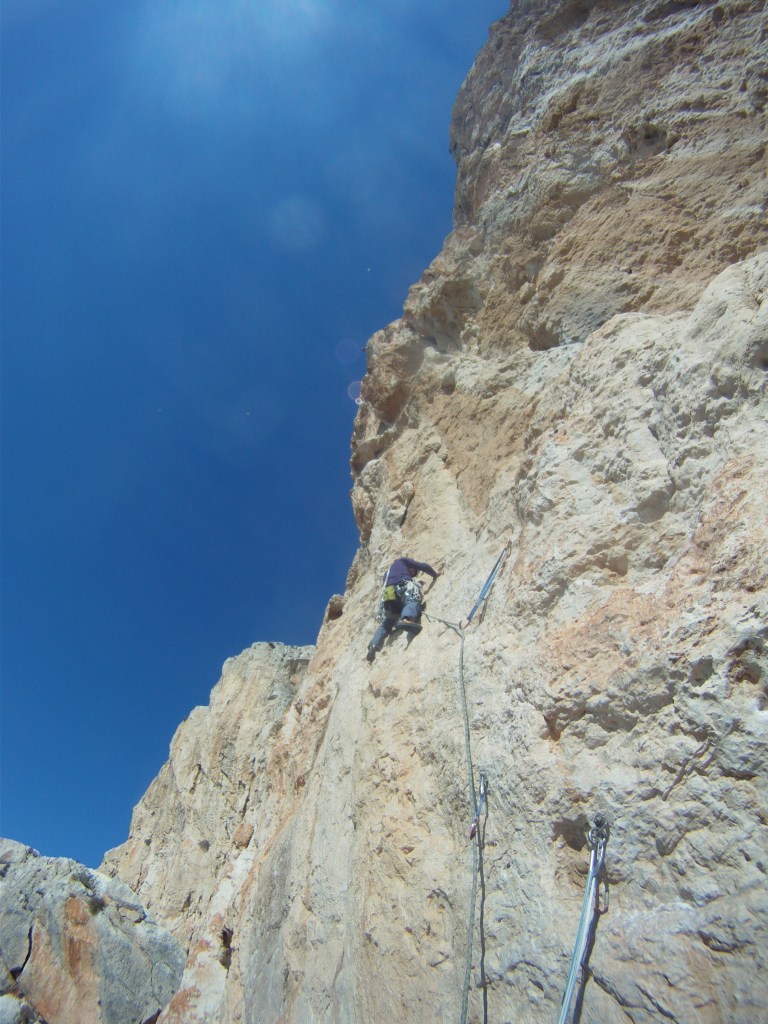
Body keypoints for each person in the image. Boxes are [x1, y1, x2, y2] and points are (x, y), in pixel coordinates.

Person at [366, 557, 440, 662]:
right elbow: (422, 566)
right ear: (411, 567)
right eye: (413, 572)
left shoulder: (387, 574)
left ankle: (373, 646)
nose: (412, 574)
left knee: (387, 622)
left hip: (387, 598)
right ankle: (406, 620)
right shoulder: (402, 561)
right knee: (412, 600)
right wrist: (434, 574)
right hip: (401, 586)